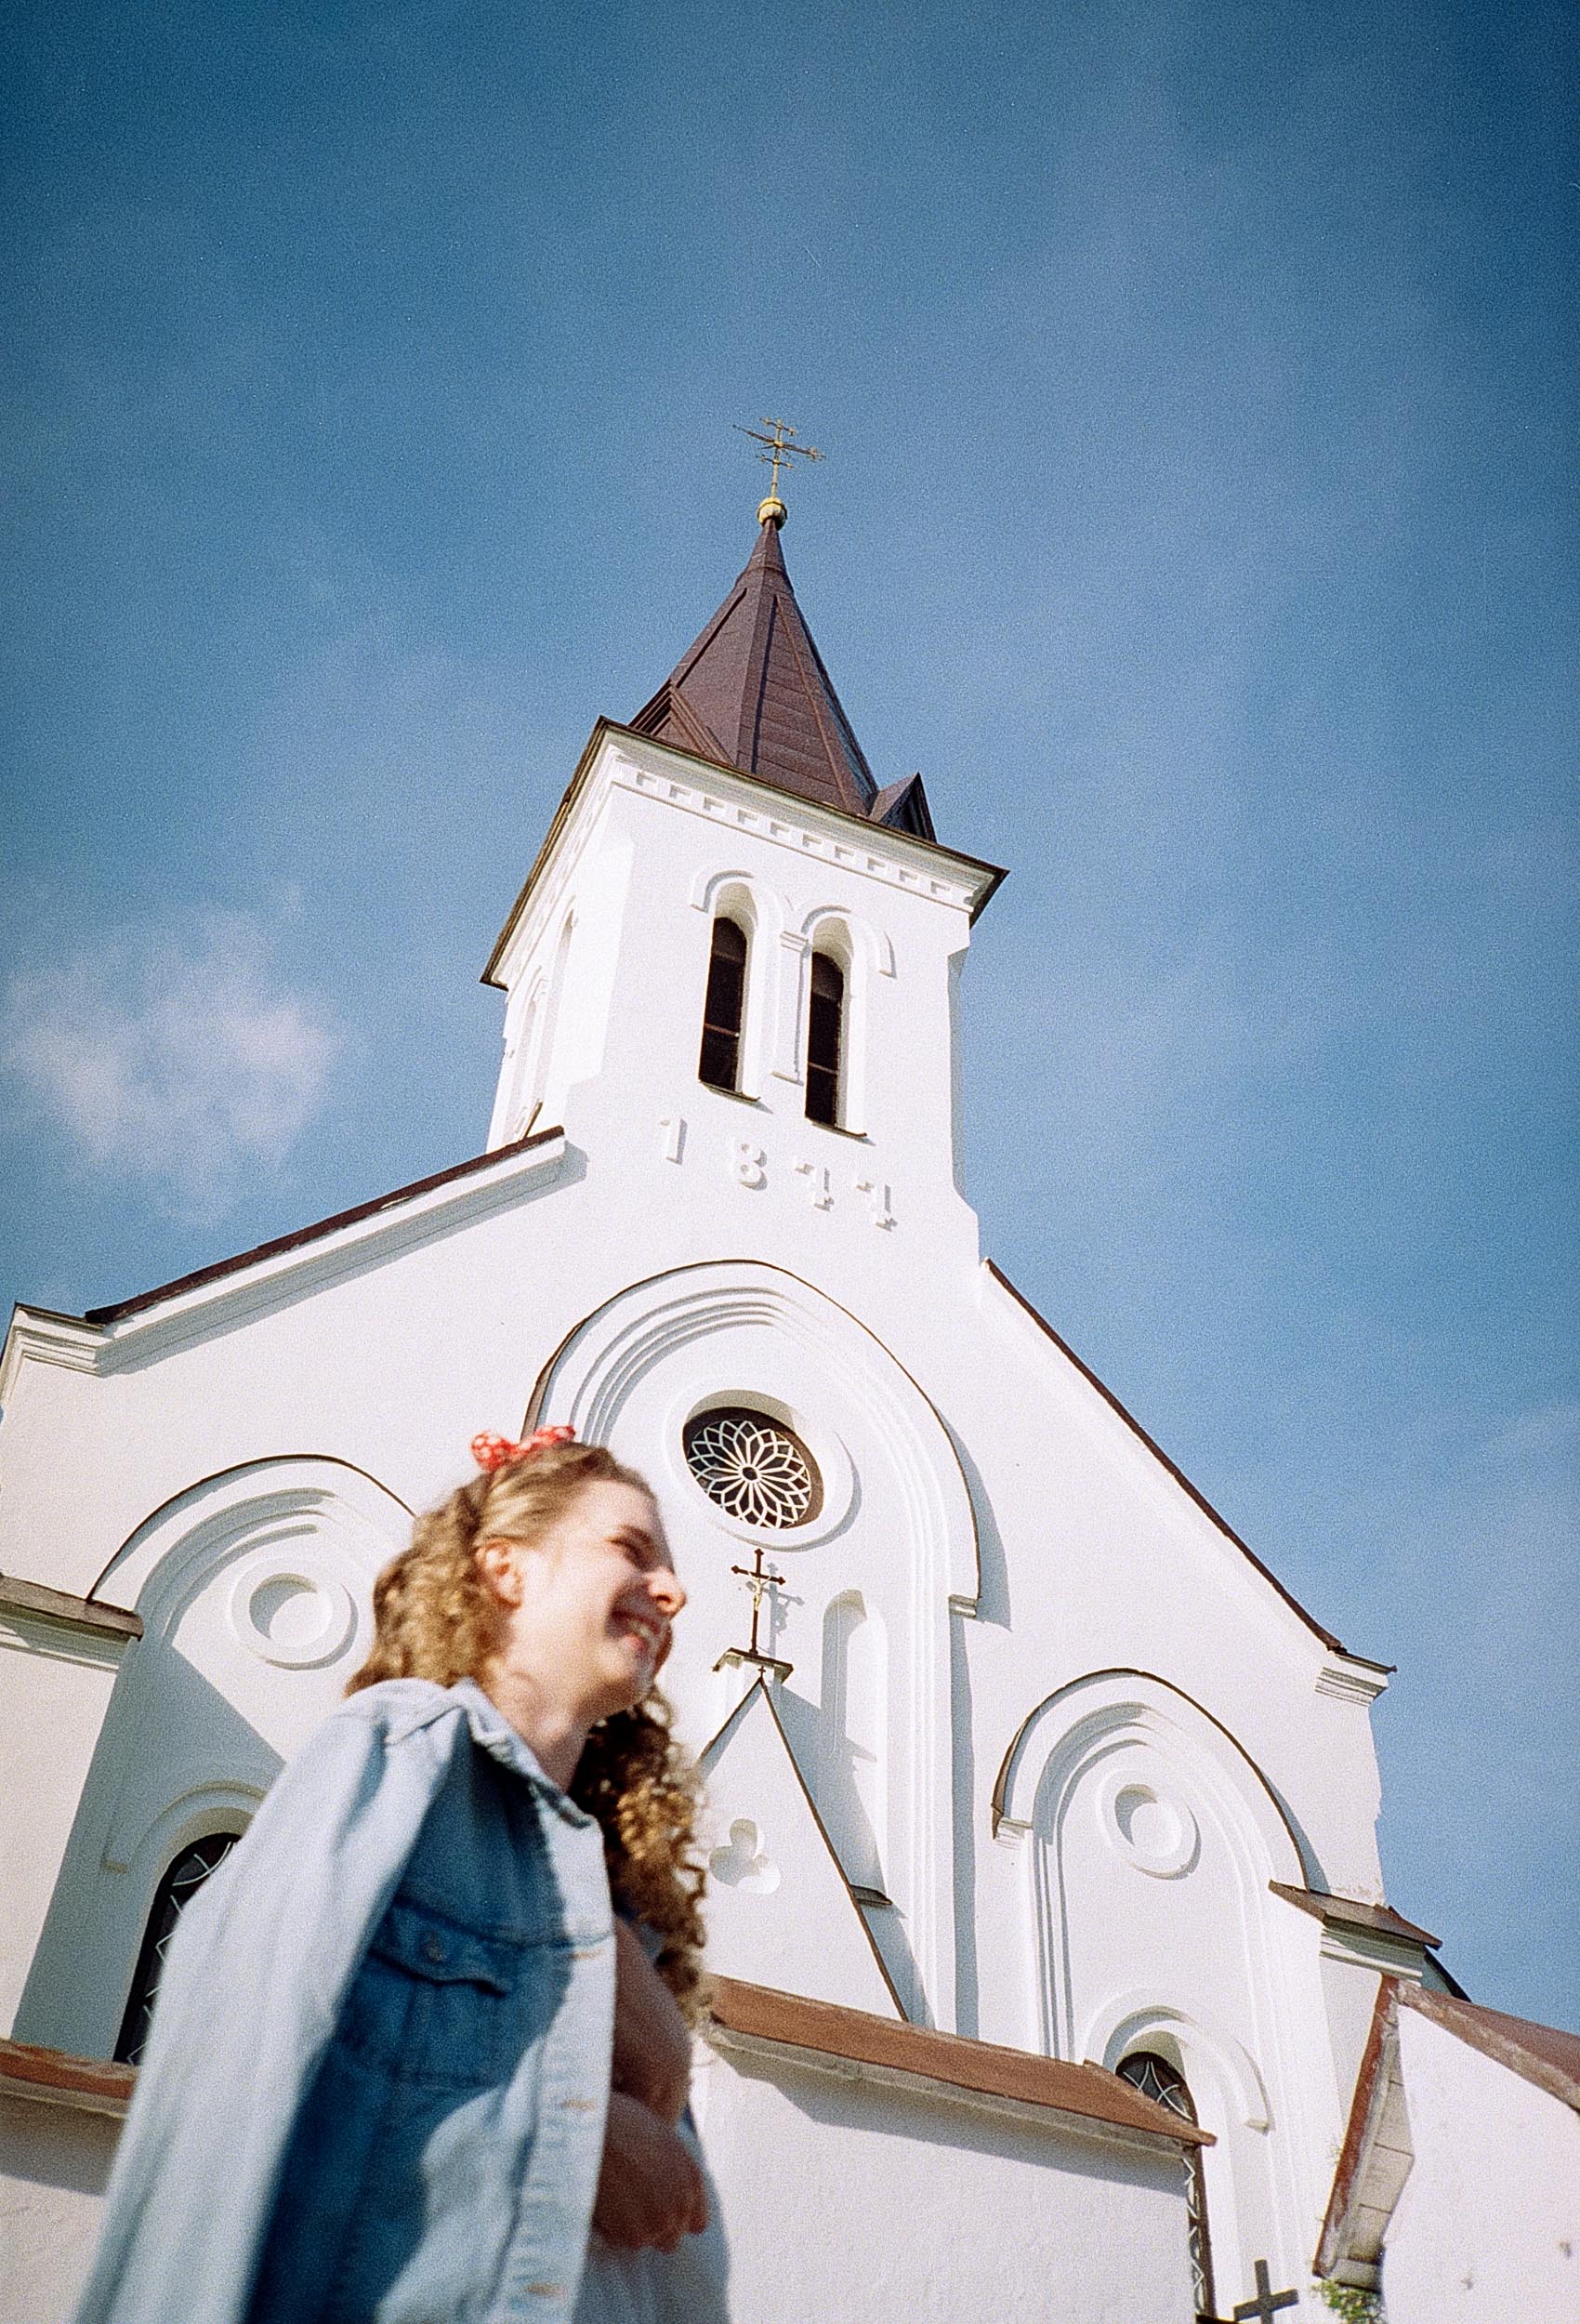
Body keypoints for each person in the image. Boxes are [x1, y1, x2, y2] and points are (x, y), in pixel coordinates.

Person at [73, 1428, 729, 2324]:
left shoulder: (622, 1905)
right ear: (507, 1569)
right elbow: (237, 2070)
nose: (673, 1591)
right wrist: (572, 2139)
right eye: (630, 1549)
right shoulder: (400, 1749)